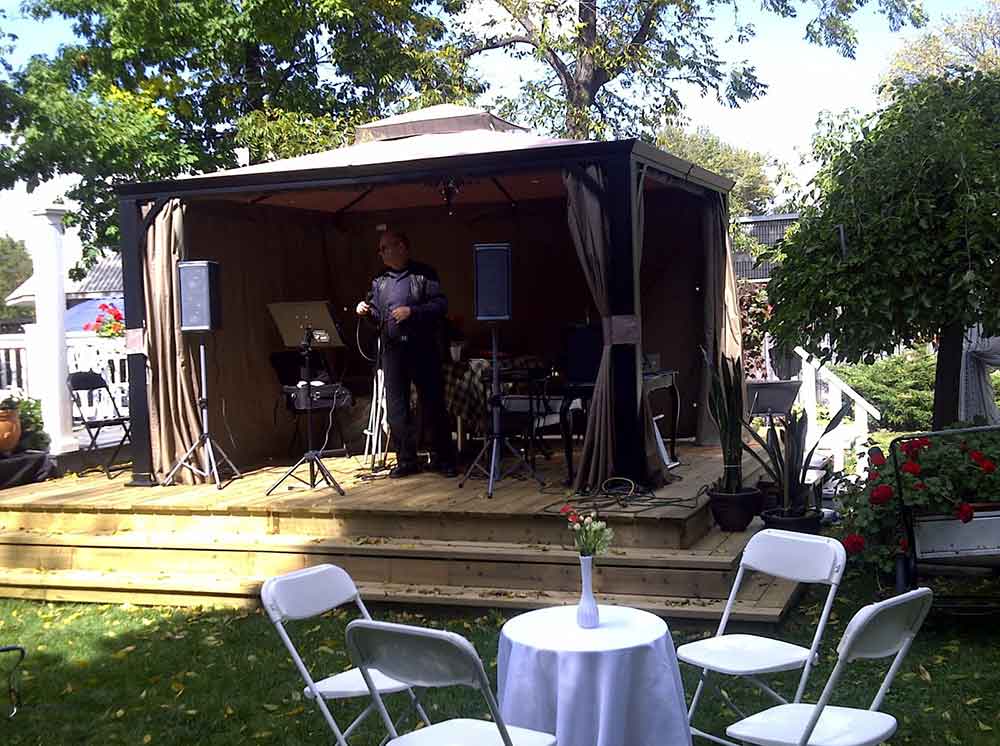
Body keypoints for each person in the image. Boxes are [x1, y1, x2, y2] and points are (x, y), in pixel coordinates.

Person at [356, 230, 457, 478]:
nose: (380, 253)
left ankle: (443, 458)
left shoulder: (424, 274)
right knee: (396, 407)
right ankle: (406, 459)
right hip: (393, 350)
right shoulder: (379, 280)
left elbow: (439, 306)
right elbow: (379, 316)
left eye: (384, 248)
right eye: (379, 249)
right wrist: (365, 311)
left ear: (401, 246)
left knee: (432, 403)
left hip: (421, 346)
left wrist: (411, 312)